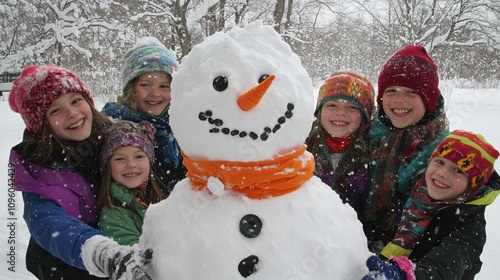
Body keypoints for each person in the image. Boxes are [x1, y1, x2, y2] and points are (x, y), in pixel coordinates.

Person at [8, 65, 152, 280]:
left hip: (124, 251)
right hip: (68, 265)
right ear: (42, 124)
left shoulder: (113, 141)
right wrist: (100, 252)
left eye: (76, 100)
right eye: (56, 110)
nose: (72, 113)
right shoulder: (39, 169)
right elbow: (48, 222)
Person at [363, 130, 500, 280]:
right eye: (440, 162)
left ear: (473, 185)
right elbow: (390, 225)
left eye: (458, 170)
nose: (443, 173)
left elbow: (445, 266)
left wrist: (407, 275)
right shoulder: (417, 190)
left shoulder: (470, 226)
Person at [361, 45, 451, 252]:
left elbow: (460, 235)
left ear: (428, 99)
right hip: (356, 251)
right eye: (391, 90)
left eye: (411, 92)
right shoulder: (366, 136)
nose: (398, 99)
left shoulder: (446, 154)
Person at [101, 37, 186, 193]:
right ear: (130, 88)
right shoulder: (117, 126)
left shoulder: (180, 122)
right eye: (145, 85)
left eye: (164, 86)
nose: (155, 93)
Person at [305, 70, 374, 215]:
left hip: (354, 233)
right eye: (332, 105)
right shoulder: (301, 145)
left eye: (352, 107)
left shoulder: (374, 151)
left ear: (364, 115)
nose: (341, 112)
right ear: (319, 110)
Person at [98, 120, 167, 246]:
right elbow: (134, 256)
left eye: (139, 157)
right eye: (120, 158)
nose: (131, 164)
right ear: (108, 166)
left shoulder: (160, 194)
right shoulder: (114, 212)